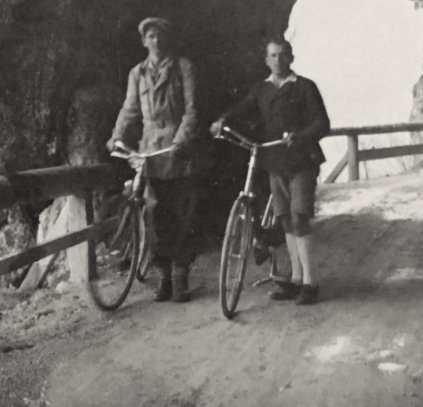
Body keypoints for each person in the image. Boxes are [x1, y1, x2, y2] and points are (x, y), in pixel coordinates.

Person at [210, 37, 330, 305]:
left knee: (300, 218)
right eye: (273, 56)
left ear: (291, 58)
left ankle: (311, 283)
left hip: (301, 162)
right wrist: (222, 121)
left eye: (283, 55)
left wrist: (300, 136)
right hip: (275, 162)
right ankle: (296, 279)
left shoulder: (304, 87)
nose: (278, 61)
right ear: (266, 60)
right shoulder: (261, 90)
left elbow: (322, 124)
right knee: (286, 220)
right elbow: (241, 111)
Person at [107, 17, 201, 303]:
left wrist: (180, 139)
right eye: (150, 36)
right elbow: (129, 108)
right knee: (156, 214)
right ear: (144, 41)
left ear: (166, 38)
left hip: (178, 151)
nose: (156, 41)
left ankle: (181, 275)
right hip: (150, 150)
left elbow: (192, 110)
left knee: (183, 213)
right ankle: (164, 276)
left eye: (160, 35)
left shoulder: (183, 67)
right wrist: (116, 136)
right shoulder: (137, 73)